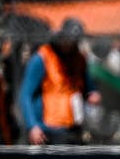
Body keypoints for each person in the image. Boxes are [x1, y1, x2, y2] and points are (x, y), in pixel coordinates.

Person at [18, 17, 101, 145]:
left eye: (74, 41)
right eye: (68, 39)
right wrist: (32, 125)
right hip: (48, 130)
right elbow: (25, 94)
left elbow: (87, 87)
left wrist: (92, 94)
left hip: (75, 128)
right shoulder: (42, 58)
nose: (70, 44)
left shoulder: (80, 59)